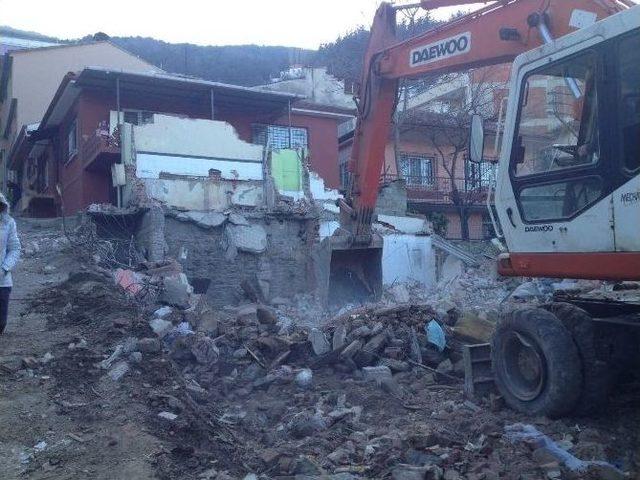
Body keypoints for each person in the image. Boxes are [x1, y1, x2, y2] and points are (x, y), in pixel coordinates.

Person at [0, 193, 21, 335]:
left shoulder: (8, 223)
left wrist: (5, 268)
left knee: (1, 323)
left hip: (2, 281)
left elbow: (14, 249)